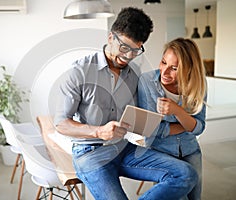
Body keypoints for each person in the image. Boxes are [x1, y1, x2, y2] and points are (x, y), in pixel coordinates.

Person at [54, 7, 198, 200]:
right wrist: (98, 131)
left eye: (136, 50)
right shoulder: (79, 72)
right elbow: (61, 124)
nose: (129, 56)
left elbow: (140, 118)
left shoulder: (135, 76)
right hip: (90, 154)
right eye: (124, 48)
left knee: (186, 174)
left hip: (125, 149)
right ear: (111, 37)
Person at [137, 37, 207, 200]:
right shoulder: (147, 82)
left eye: (174, 68)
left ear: (188, 69)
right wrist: (186, 123)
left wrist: (177, 111)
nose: (165, 72)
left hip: (191, 150)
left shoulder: (198, 84)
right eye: (163, 62)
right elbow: (150, 129)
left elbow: (199, 127)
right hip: (161, 153)